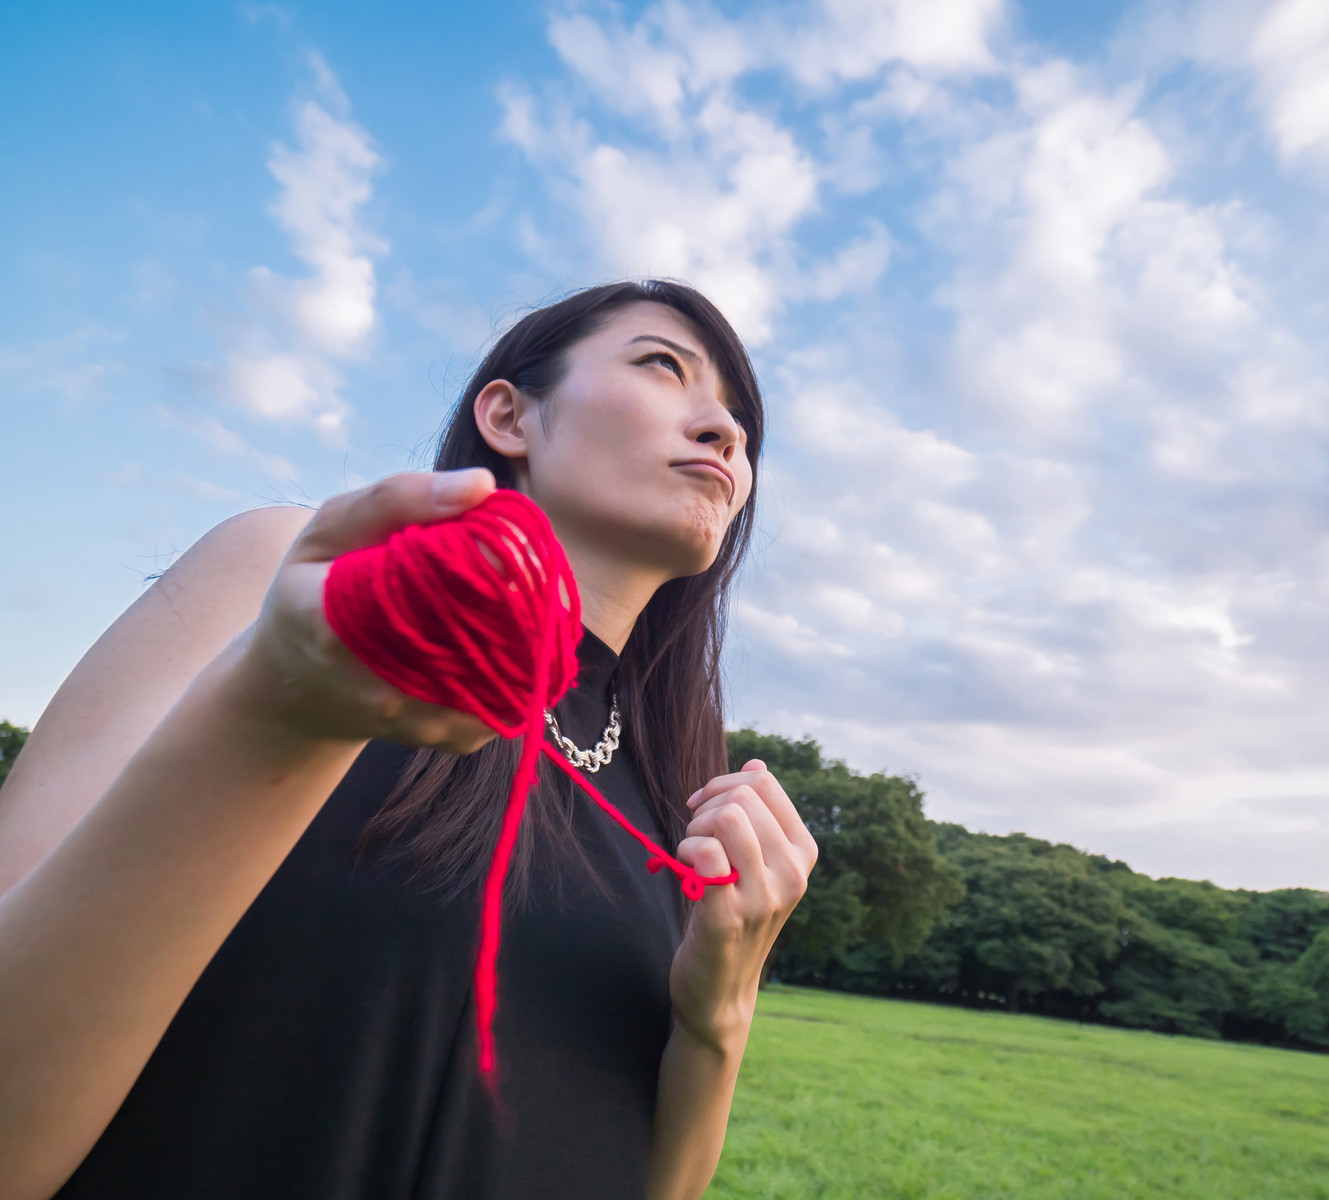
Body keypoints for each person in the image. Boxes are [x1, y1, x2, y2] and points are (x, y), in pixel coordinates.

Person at [0, 279, 818, 1200]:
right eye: (664, 367)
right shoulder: (285, 577)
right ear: (509, 416)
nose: (725, 430)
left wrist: (720, 1012)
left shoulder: (681, 795)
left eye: (741, 419)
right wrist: (272, 708)